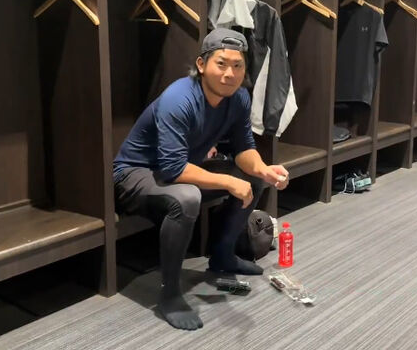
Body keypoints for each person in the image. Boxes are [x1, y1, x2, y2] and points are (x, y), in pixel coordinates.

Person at [113, 28, 290, 331]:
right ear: (201, 64)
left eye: (237, 65)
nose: (229, 73)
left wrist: (263, 169)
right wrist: (227, 182)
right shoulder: (179, 98)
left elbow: (244, 149)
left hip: (178, 171)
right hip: (133, 175)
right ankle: (169, 295)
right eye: (221, 64)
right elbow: (172, 169)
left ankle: (223, 256)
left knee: (253, 179)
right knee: (188, 197)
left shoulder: (239, 98)